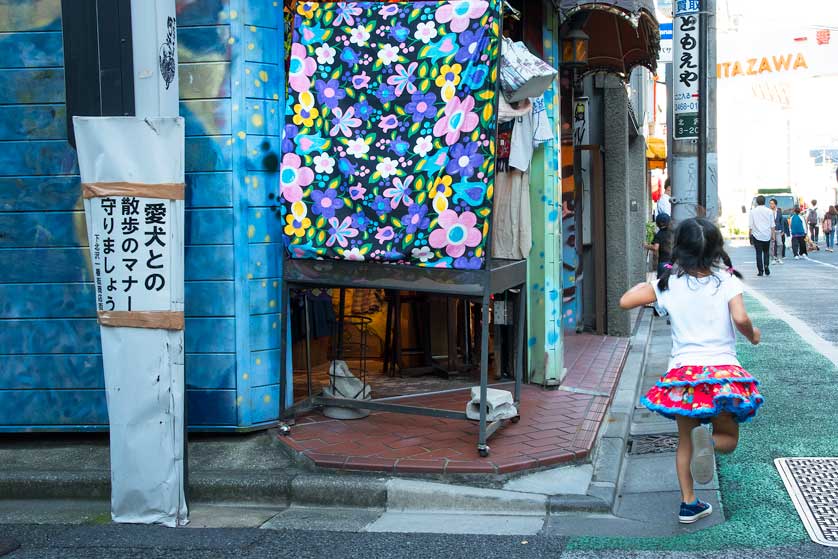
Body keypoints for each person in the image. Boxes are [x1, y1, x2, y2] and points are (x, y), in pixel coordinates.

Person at [619, 218, 763, 525]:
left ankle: (688, 503)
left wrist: (657, 281)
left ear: (679, 249)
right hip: (722, 376)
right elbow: (740, 317)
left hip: (684, 376)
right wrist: (752, 335)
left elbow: (625, 301)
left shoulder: (668, 284)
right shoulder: (726, 279)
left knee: (685, 440)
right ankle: (708, 446)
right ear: (715, 249)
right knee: (728, 437)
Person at [749, 195, 774, 276]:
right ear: (765, 201)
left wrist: (749, 235)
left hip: (756, 235)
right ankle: (766, 266)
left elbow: (751, 225)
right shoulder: (769, 211)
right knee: (766, 252)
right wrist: (773, 235)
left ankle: (760, 271)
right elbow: (772, 225)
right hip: (767, 234)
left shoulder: (753, 211)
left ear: (757, 202)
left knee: (758, 253)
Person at [644, 213, 673, 278]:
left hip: (664, 264)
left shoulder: (659, 234)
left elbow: (655, 248)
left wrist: (645, 245)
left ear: (657, 223)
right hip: (672, 264)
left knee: (661, 283)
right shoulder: (672, 232)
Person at [769, 198, 784, 265]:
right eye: (770, 203)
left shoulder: (779, 211)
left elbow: (781, 221)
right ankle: (772, 258)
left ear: (775, 204)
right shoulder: (768, 211)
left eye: (772, 203)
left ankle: (779, 258)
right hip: (770, 231)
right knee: (771, 245)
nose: (770, 205)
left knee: (780, 244)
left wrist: (782, 230)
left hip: (778, 230)